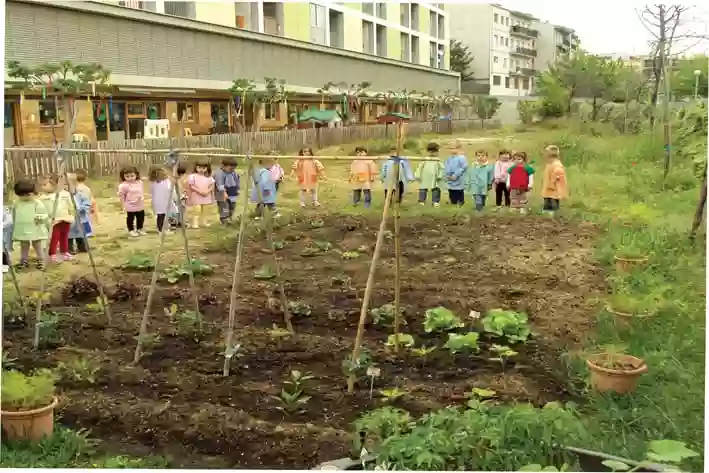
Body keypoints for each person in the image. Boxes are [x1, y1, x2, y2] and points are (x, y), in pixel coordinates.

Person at [11, 179, 49, 269]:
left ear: (33, 193)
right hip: (22, 228)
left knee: (37, 244)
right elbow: (14, 215)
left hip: (35, 227)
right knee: (24, 244)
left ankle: (41, 259)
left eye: (27, 195)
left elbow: (44, 214)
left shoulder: (37, 203)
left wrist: (40, 218)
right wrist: (15, 225)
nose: (25, 197)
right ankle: (24, 260)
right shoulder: (16, 204)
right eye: (22, 195)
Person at [38, 175, 74, 262]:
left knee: (64, 236)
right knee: (54, 237)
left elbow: (71, 206)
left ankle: (64, 251)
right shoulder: (43, 198)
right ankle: (52, 253)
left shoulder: (65, 194)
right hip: (54, 221)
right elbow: (42, 210)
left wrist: (71, 215)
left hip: (65, 218)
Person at [66, 173, 93, 254]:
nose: (66, 187)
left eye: (68, 185)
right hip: (68, 217)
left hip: (79, 217)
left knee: (80, 232)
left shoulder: (80, 194)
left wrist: (82, 208)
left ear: (75, 184)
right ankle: (69, 248)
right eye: (64, 185)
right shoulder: (62, 196)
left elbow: (87, 202)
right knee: (68, 233)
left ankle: (82, 247)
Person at [186, 160, 215, 228]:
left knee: (206, 211)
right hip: (196, 196)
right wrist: (199, 191)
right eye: (199, 168)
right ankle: (195, 223)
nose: (201, 170)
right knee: (197, 210)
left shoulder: (209, 177)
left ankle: (204, 222)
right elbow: (191, 186)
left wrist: (207, 191)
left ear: (207, 168)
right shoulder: (192, 176)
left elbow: (212, 185)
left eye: (204, 168)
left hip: (206, 197)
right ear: (196, 168)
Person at [118, 166, 146, 237]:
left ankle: (140, 228)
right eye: (127, 176)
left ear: (136, 175)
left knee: (141, 217)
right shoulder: (123, 186)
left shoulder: (139, 182)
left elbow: (141, 191)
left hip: (139, 204)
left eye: (132, 176)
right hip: (130, 205)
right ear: (123, 176)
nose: (130, 178)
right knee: (130, 218)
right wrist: (123, 205)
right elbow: (121, 196)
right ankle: (131, 230)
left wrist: (141, 197)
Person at [541, 145, 568, 214]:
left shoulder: (556, 164)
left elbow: (558, 174)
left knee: (553, 201)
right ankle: (547, 213)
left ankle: (554, 214)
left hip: (553, 188)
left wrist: (552, 183)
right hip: (548, 188)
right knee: (547, 200)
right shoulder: (550, 164)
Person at [415, 142, 444, 207]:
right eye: (430, 151)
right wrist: (418, 175)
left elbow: (442, 168)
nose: (432, 153)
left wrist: (440, 175)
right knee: (423, 189)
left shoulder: (438, 160)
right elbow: (420, 167)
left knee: (436, 189)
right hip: (425, 177)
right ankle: (421, 201)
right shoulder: (425, 160)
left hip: (435, 177)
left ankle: (435, 201)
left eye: (434, 151)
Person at [149, 166, 176, 234]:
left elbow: (171, 190)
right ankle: (161, 230)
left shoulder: (166, 181)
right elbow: (170, 190)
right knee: (161, 215)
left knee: (171, 213)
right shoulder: (154, 183)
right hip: (160, 201)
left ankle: (170, 226)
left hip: (165, 200)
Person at [214, 157, 240, 224]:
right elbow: (220, 184)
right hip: (222, 193)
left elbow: (236, 180)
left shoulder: (233, 173)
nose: (232, 170)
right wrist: (224, 193)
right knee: (224, 206)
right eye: (230, 168)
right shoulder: (219, 173)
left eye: (233, 169)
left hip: (232, 192)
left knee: (232, 206)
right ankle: (224, 219)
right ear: (223, 166)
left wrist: (237, 189)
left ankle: (229, 217)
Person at [444, 141, 468, 206]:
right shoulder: (449, 158)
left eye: (453, 148)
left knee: (458, 190)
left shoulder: (461, 158)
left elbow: (464, 167)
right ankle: (453, 201)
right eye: (450, 148)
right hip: (450, 178)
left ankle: (461, 201)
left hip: (458, 178)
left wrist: (456, 174)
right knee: (451, 191)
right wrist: (447, 175)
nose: (451, 150)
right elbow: (447, 167)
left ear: (459, 149)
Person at [3, 205, 13, 273]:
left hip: (4, 232)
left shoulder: (4, 208)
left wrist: (2, 225)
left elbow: (9, 221)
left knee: (3, 250)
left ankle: (5, 265)